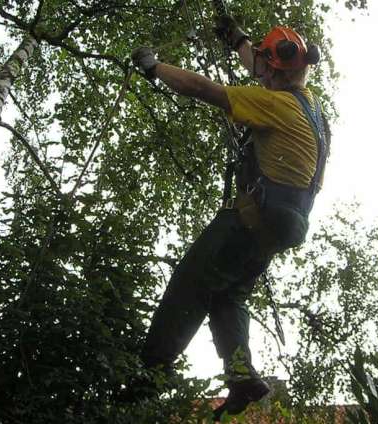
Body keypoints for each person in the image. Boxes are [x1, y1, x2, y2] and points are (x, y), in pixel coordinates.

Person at [130, 16, 330, 420]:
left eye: (264, 67)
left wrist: (155, 68)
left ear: (277, 70)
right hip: (277, 231)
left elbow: (207, 90)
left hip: (247, 221)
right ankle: (241, 376)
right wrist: (235, 37)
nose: (260, 73)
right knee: (228, 293)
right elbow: (260, 68)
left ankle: (149, 375)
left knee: (191, 283)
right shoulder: (317, 116)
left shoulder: (277, 104)